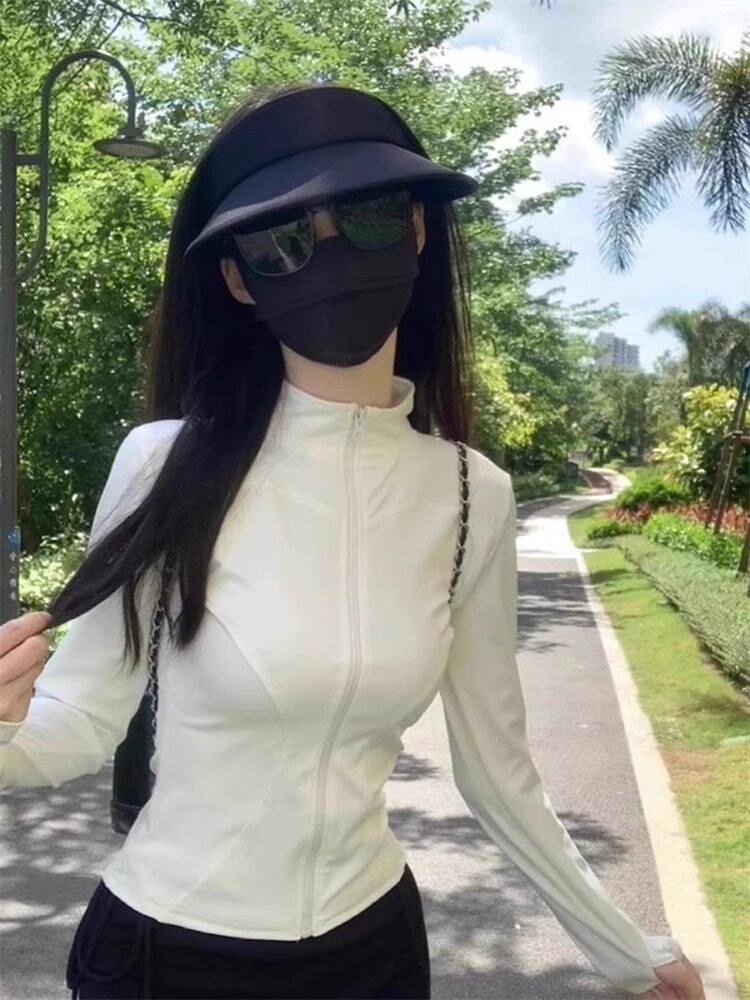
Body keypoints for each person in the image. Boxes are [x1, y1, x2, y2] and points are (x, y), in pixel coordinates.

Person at [0, 81, 705, 1000]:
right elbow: (81, 724)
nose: (329, 257)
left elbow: (497, 770)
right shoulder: (165, 463)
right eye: (284, 240)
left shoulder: (471, 494)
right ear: (238, 278)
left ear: (416, 229)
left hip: (373, 953)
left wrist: (627, 951)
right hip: (167, 956)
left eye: (366, 216)